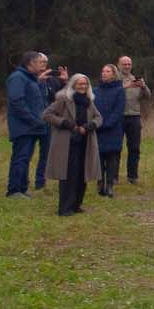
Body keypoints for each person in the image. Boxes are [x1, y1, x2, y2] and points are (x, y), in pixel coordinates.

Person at [42, 72, 103, 217]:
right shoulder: (63, 98)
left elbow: (99, 117)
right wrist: (65, 123)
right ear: (73, 84)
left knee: (82, 174)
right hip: (67, 143)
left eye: (85, 83)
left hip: (84, 142)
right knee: (68, 175)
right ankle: (65, 208)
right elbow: (47, 115)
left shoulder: (89, 101)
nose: (83, 86)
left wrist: (90, 126)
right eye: (80, 83)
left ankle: (76, 205)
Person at [5, 51, 51, 197]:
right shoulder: (18, 78)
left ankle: (23, 188)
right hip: (23, 127)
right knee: (21, 157)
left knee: (26, 158)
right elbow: (16, 103)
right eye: (39, 62)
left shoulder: (31, 79)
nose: (42, 65)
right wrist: (33, 120)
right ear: (30, 63)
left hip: (33, 127)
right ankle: (14, 190)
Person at [93, 63, 127, 198]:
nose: (104, 73)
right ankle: (100, 182)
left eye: (107, 71)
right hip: (97, 128)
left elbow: (118, 111)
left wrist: (107, 124)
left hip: (113, 129)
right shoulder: (95, 91)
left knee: (112, 158)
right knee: (99, 157)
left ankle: (110, 185)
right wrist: (96, 123)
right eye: (103, 71)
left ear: (113, 74)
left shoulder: (119, 90)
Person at [117, 56, 151, 184]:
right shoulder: (114, 79)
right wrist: (125, 86)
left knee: (134, 148)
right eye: (124, 64)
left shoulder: (136, 80)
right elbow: (110, 92)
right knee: (116, 148)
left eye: (129, 64)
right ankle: (113, 176)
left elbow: (148, 97)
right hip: (118, 117)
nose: (127, 66)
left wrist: (143, 86)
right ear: (119, 65)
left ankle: (132, 176)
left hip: (134, 117)